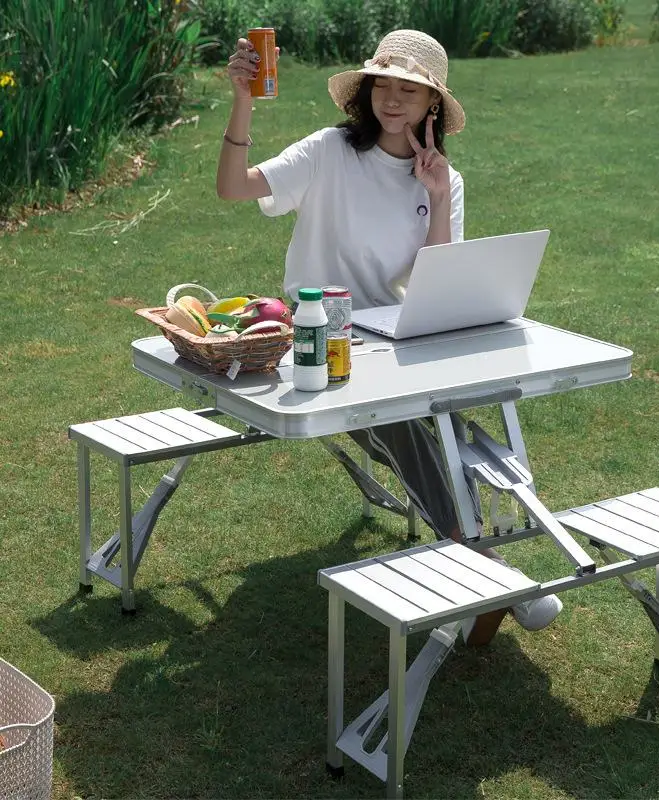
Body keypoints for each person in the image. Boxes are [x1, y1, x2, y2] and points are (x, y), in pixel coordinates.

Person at [216, 29, 562, 644]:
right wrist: (243, 98)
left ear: (434, 106)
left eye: (412, 90)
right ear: (367, 90)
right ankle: (483, 562)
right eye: (385, 86)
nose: (394, 100)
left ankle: (485, 557)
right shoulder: (327, 152)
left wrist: (435, 196)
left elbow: (439, 279)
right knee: (405, 423)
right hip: (321, 334)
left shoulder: (443, 180)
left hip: (394, 331)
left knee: (457, 416)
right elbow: (234, 186)